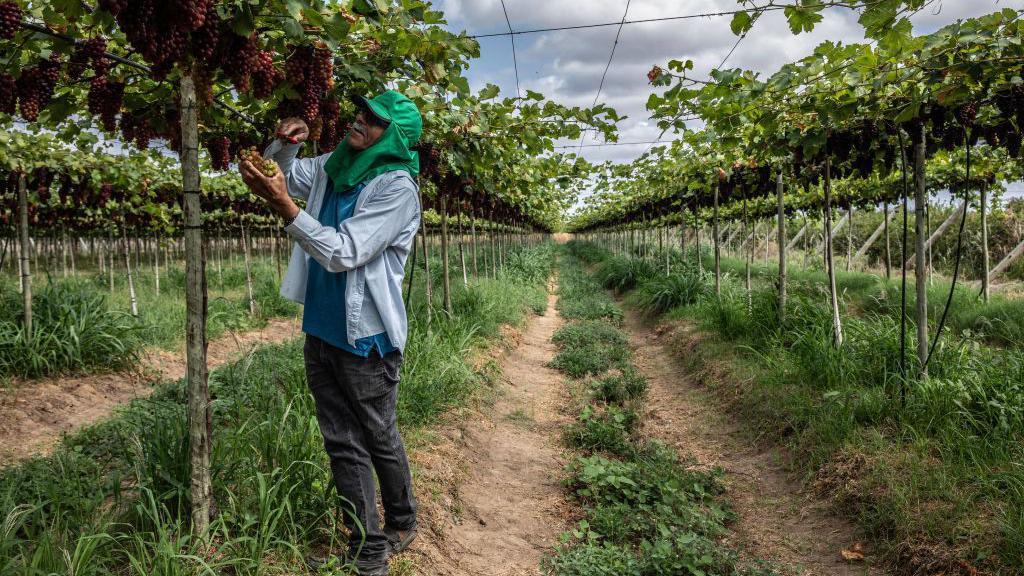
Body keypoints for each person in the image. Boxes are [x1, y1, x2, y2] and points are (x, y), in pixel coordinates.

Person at [239, 90, 422, 576]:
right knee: (342, 441)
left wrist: (286, 209)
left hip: (366, 339)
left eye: (373, 120)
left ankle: (402, 519)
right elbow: (285, 170)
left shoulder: (397, 188)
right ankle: (368, 547)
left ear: (396, 136)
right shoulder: (335, 164)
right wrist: (284, 142)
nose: (358, 121)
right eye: (360, 112)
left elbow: (344, 251)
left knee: (377, 433)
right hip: (320, 328)